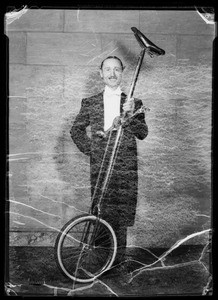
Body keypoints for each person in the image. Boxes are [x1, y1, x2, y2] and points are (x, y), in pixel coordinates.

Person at [70, 56, 148, 266]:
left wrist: (130, 115)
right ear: (101, 73)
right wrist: (92, 150)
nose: (112, 74)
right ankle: (99, 263)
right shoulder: (90, 102)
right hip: (101, 165)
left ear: (122, 73)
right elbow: (76, 130)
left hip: (125, 167)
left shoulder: (134, 103)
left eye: (117, 70)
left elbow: (142, 133)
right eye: (107, 69)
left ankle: (116, 264)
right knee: (101, 211)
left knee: (120, 215)